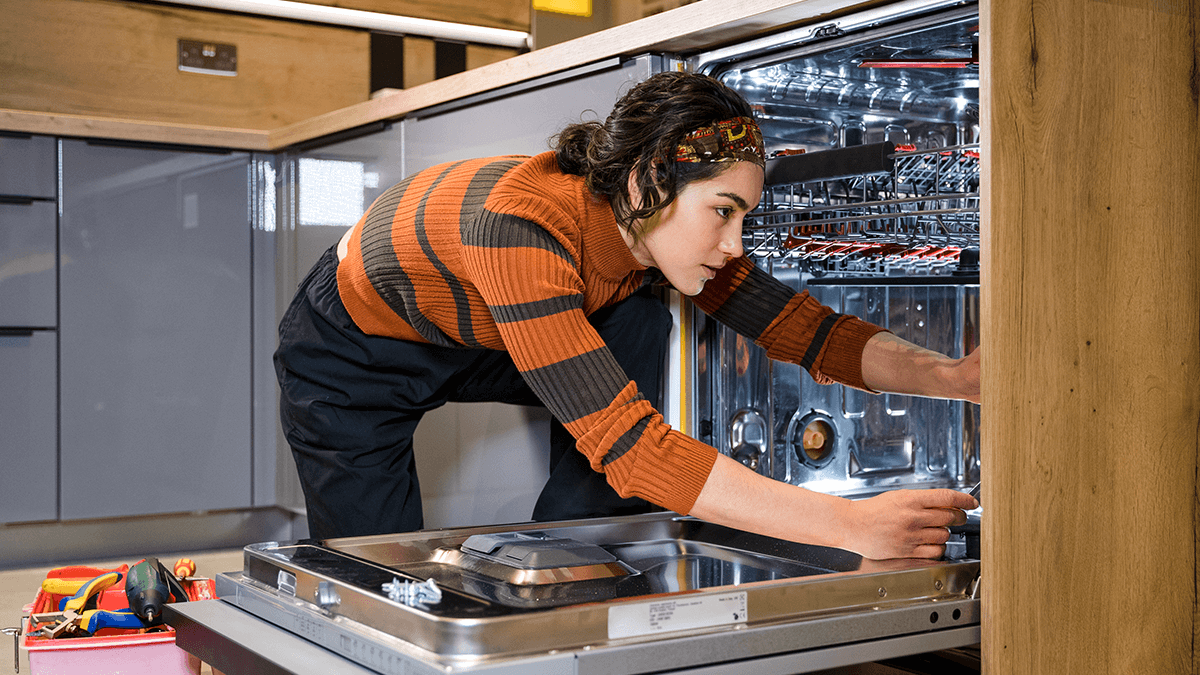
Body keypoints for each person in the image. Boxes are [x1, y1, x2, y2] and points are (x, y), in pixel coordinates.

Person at [274, 71, 980, 560]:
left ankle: (571, 548)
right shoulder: (519, 231)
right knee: (374, 566)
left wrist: (952, 377)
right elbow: (636, 448)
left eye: (744, 216)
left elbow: (808, 330)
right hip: (351, 354)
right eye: (723, 212)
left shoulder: (651, 232)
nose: (735, 244)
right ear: (647, 182)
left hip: (477, 326)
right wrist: (847, 524)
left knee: (639, 314)